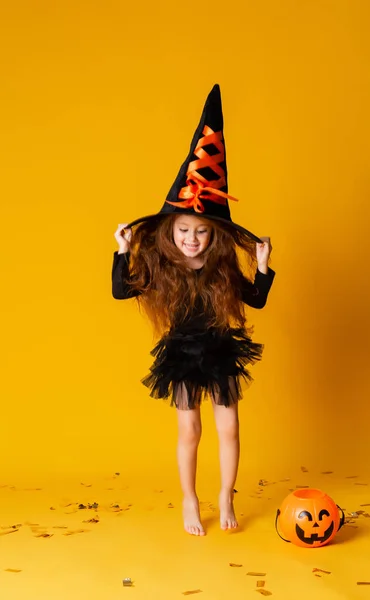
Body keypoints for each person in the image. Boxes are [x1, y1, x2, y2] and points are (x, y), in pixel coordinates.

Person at [111, 84, 276, 536]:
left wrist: (261, 268)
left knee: (230, 430)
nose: (191, 239)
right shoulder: (162, 267)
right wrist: (123, 253)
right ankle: (189, 498)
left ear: (214, 236)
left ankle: (226, 494)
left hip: (220, 352)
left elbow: (256, 300)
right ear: (170, 231)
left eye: (201, 232)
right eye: (184, 230)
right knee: (190, 433)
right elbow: (121, 293)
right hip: (182, 356)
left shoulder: (221, 268)